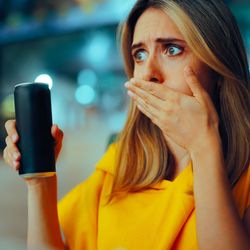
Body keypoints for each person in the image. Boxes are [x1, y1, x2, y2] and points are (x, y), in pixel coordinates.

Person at [3, 0, 250, 249]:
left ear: (218, 65)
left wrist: (204, 146)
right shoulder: (120, 165)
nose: (148, 73)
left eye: (172, 50)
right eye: (140, 55)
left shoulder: (245, 178)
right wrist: (40, 183)